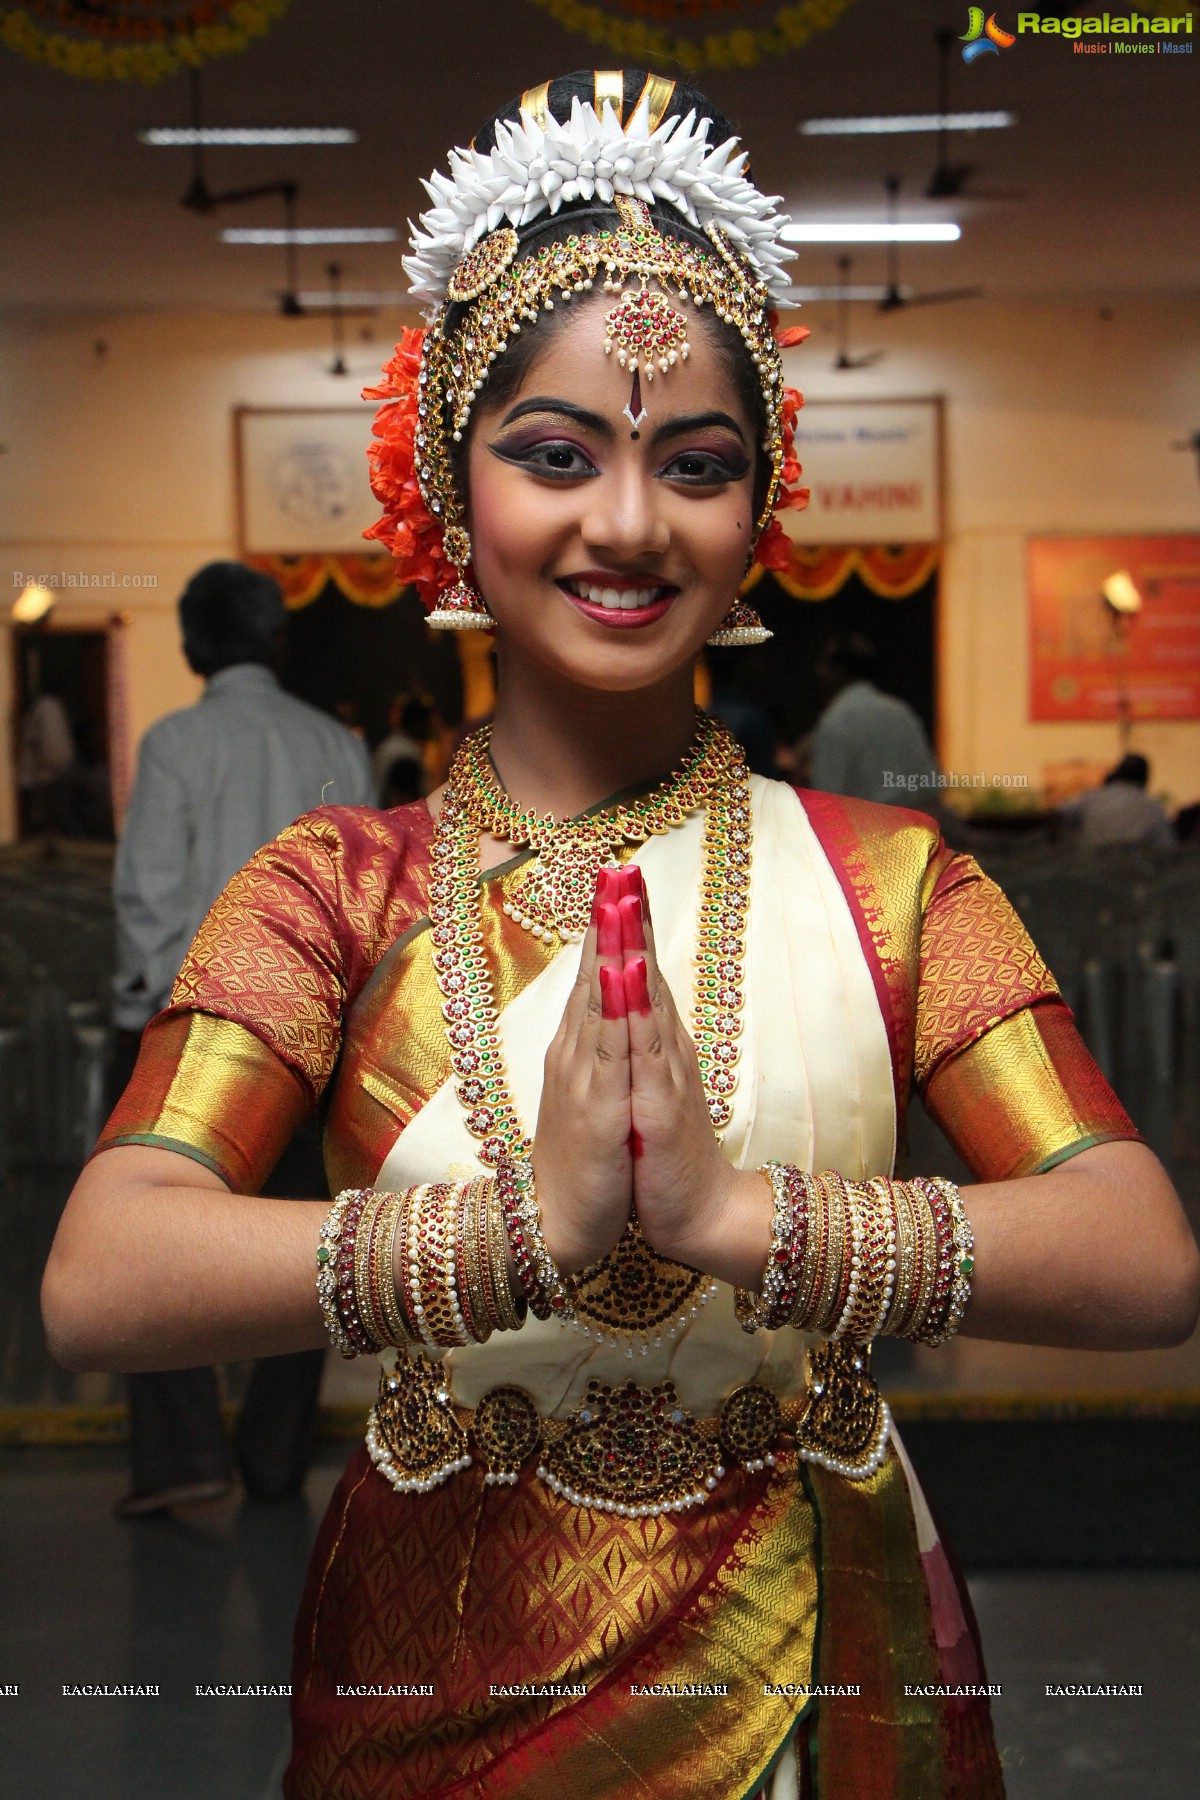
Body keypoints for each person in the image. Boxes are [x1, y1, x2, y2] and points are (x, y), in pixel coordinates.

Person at [43, 72, 1199, 1799]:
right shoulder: (332, 886)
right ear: (454, 484)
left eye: (698, 465)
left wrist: (744, 1219)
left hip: (814, 1651)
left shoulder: (893, 880)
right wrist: (521, 1235)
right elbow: (103, 1275)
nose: (632, 523)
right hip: (431, 1670)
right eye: (556, 454)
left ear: (759, 520)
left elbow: (1144, 1257)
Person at [108, 560, 374, 1514]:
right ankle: (272, 1456)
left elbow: (147, 893)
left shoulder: (175, 741)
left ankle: (182, 1459)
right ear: (276, 640)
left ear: (190, 644)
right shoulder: (334, 741)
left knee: (147, 1237)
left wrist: (141, 1004)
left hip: (188, 1032)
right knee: (307, 1244)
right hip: (315, 1038)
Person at [808, 631, 941, 806]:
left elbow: (826, 800)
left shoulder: (837, 720)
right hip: (912, 826)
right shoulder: (900, 712)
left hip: (861, 829)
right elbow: (931, 786)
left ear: (837, 670)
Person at [1060, 751, 1174, 848]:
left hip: (1092, 866)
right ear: (1145, 779)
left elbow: (1058, 816)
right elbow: (1166, 846)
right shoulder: (1152, 807)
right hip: (1133, 869)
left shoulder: (1091, 798)